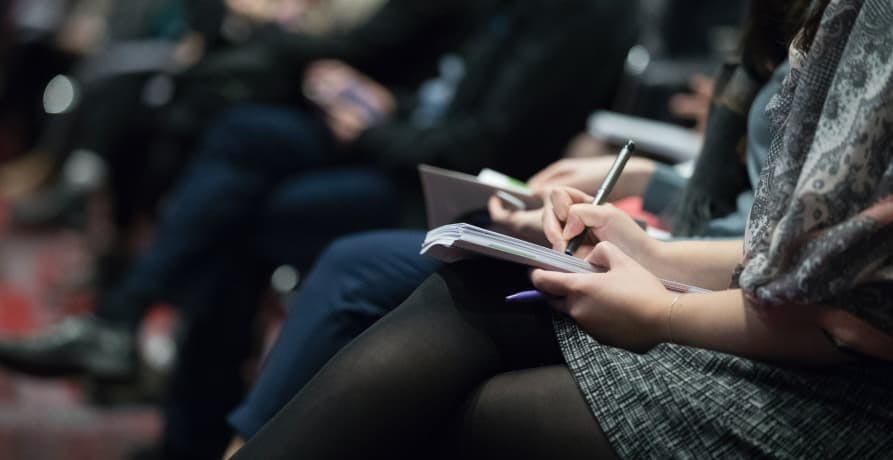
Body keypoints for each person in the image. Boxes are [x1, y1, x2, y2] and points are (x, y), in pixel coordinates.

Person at [231, 0, 893, 457]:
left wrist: (661, 305)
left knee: (453, 396)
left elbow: (841, 313)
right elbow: (785, 251)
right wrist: (639, 241)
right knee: (465, 281)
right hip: (762, 306)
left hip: (841, 392)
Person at [0, 0, 638, 458]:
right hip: (409, 149)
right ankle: (156, 371)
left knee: (248, 217)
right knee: (241, 136)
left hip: (463, 198)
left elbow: (484, 143)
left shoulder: (583, 16)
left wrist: (374, 127)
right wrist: (382, 104)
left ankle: (190, 408)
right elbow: (435, 83)